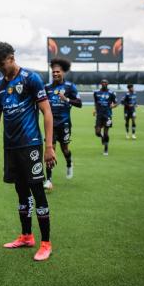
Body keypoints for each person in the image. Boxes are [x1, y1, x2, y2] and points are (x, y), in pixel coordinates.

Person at [0, 42, 56, 261]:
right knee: (21, 192)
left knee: (37, 192)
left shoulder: (31, 79)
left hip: (30, 145)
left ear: (11, 58)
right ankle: (26, 236)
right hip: (10, 147)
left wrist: (48, 147)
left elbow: (47, 112)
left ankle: (46, 243)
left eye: (1, 63)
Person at [43, 58, 82, 191]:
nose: (55, 74)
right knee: (50, 150)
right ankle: (48, 179)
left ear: (63, 72)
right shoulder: (47, 88)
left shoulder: (70, 87)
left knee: (65, 149)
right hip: (50, 125)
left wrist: (67, 99)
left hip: (64, 123)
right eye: (53, 72)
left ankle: (69, 163)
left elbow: (80, 104)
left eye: (57, 72)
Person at [93, 79, 118, 156]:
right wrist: (94, 110)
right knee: (97, 132)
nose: (104, 84)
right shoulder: (96, 93)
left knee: (106, 132)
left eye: (105, 83)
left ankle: (106, 149)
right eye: (102, 82)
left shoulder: (111, 93)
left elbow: (116, 103)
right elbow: (96, 103)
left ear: (107, 84)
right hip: (99, 115)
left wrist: (112, 106)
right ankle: (102, 137)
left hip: (108, 115)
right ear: (101, 84)